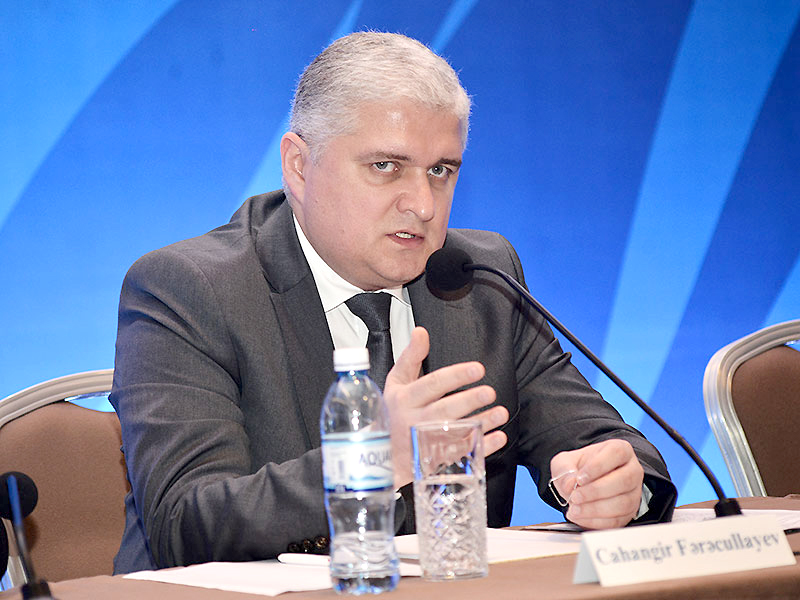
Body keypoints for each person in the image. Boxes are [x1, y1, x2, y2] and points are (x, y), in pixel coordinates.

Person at [110, 31, 676, 574]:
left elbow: (603, 441)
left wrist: (616, 484)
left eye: (441, 171)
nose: (424, 205)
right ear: (299, 166)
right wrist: (376, 459)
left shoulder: (481, 278)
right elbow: (183, 524)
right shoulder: (188, 288)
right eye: (386, 166)